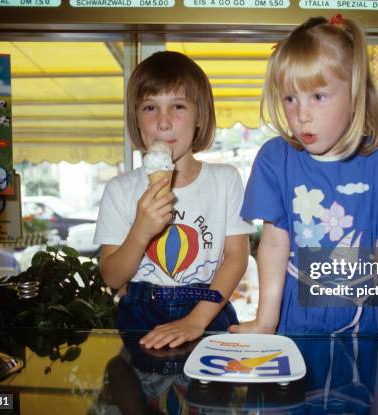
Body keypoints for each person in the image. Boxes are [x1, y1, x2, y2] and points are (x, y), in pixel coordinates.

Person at [230, 16, 378, 338]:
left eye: (318, 96)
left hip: (365, 322)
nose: (302, 114)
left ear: (356, 92)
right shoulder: (275, 158)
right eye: (290, 98)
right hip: (293, 321)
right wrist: (265, 322)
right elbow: (273, 243)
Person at [94, 51, 256, 349]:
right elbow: (113, 276)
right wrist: (141, 231)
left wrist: (196, 320)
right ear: (137, 119)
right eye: (150, 107)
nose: (164, 122)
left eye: (178, 106)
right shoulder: (120, 189)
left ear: (199, 117)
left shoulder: (225, 180)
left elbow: (237, 257)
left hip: (209, 309)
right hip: (139, 313)